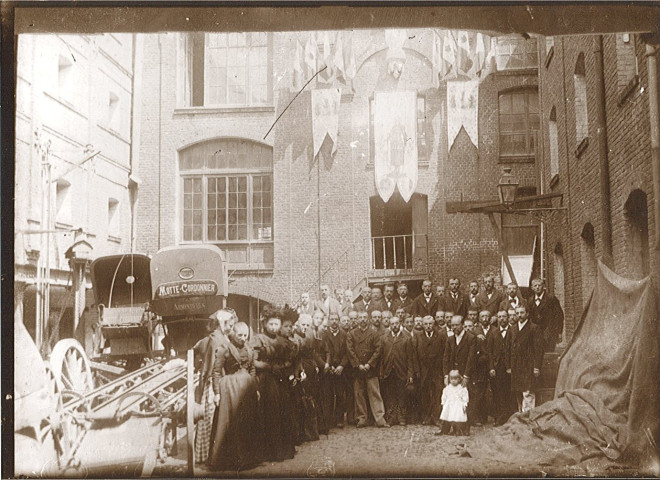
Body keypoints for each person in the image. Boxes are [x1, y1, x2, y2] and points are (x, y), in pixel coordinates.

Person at [207, 322, 261, 471]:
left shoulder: (249, 349)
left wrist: (255, 389)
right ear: (233, 334)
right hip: (230, 389)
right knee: (230, 423)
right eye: (240, 335)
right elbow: (216, 372)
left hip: (247, 391)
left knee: (246, 423)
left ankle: (247, 459)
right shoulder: (224, 348)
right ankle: (229, 460)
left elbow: (252, 370)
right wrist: (217, 393)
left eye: (245, 335)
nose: (243, 338)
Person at [193, 309, 234, 464]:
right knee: (211, 420)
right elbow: (211, 365)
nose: (230, 328)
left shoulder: (221, 337)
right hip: (214, 383)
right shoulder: (217, 339)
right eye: (229, 325)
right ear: (222, 323)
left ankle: (213, 454)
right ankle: (210, 455)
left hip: (217, 380)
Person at [346, 311, 389, 428]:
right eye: (361, 317)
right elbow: (350, 351)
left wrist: (369, 364)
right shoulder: (352, 334)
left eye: (365, 317)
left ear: (368, 319)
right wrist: (358, 364)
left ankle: (380, 418)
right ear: (357, 319)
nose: (363, 319)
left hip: (371, 369)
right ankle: (361, 418)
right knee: (359, 394)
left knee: (375, 393)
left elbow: (378, 349)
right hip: (358, 369)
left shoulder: (374, 333)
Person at [506, 305, 544, 413]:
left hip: (528, 366)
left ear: (527, 314)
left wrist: (536, 367)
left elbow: (538, 350)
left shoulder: (534, 328)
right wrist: (508, 366)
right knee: (518, 391)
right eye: (517, 313)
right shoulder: (512, 329)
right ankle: (521, 415)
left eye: (521, 313)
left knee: (528, 392)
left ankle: (528, 417)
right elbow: (507, 349)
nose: (519, 315)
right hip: (516, 366)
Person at [443, 316, 477, 432]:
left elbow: (471, 358)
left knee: (464, 402)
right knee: (449, 401)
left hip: (464, 374)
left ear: (462, 325)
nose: (454, 327)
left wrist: (466, 376)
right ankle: (446, 428)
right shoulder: (450, 339)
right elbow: (446, 358)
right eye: (452, 325)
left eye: (456, 325)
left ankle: (464, 429)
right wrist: (446, 375)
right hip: (452, 376)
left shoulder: (471, 338)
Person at [380, 316, 415, 426]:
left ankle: (401, 417)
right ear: (390, 325)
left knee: (402, 395)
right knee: (390, 395)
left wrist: (410, 373)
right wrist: (381, 371)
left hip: (401, 371)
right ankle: (391, 417)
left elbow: (410, 357)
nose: (394, 326)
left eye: (396, 323)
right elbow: (381, 357)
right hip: (388, 371)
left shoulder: (406, 338)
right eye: (392, 324)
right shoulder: (384, 338)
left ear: (400, 323)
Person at [293, 314, 322, 442]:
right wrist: (301, 370)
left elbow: (312, 353)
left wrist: (315, 365)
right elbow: (296, 358)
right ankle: (301, 432)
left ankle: (310, 432)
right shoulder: (295, 337)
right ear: (298, 324)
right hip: (300, 368)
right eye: (303, 325)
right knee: (301, 399)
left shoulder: (308, 336)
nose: (305, 327)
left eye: (307, 325)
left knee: (310, 398)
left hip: (309, 367)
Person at [415, 315, 446, 425]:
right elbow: (415, 354)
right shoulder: (418, 336)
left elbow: (444, 353)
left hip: (436, 370)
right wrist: (417, 371)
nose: (428, 326)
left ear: (434, 324)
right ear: (423, 325)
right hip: (423, 370)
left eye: (430, 324)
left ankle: (436, 417)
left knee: (437, 393)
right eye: (426, 324)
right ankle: (426, 417)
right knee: (425, 394)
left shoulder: (441, 336)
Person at [320, 312, 349, 429]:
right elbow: (322, 351)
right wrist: (329, 365)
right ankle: (329, 420)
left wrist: (342, 366)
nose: (334, 322)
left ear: (339, 321)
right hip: (329, 369)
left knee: (341, 394)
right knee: (328, 395)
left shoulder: (344, 335)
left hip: (340, 369)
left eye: (336, 319)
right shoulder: (324, 334)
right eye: (332, 319)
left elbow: (348, 353)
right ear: (328, 321)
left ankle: (339, 419)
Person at [487, 310, 516, 425]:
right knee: (497, 392)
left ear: (508, 318)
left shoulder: (513, 331)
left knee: (509, 392)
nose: (502, 319)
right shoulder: (493, 333)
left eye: (504, 317)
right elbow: (489, 352)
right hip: (497, 367)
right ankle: (499, 417)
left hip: (509, 368)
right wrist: (491, 368)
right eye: (499, 317)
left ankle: (508, 416)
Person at [527, 278, 564, 353]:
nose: (537, 287)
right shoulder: (530, 301)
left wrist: (559, 332)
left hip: (549, 332)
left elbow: (559, 316)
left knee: (548, 355)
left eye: (539, 285)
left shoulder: (551, 299)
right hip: (535, 334)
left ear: (543, 286)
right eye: (535, 286)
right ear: (532, 288)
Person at [464, 317, 489, 427]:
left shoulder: (478, 339)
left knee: (476, 395)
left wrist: (476, 360)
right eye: (465, 327)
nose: (468, 329)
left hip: (476, 371)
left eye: (470, 326)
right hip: (464, 370)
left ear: (474, 327)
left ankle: (475, 418)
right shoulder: (461, 339)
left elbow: (485, 355)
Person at [437, 370, 470, 436]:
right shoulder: (447, 388)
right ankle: (445, 430)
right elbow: (444, 396)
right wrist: (443, 403)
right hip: (449, 405)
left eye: (455, 379)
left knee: (457, 418)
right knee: (447, 417)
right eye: (451, 379)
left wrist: (464, 404)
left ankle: (458, 430)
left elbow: (465, 397)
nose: (453, 381)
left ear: (459, 379)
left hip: (458, 406)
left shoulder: (462, 388)